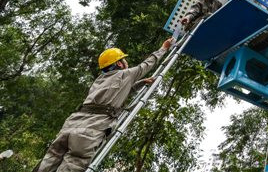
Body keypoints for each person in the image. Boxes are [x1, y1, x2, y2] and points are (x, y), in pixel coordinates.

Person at [35, 38, 174, 172]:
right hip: (93, 126)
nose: (126, 62)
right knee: (74, 163)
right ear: (119, 63)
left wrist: (141, 83)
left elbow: (117, 94)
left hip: (73, 122)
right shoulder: (125, 74)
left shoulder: (99, 80)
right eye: (123, 59)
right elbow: (147, 64)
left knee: (51, 158)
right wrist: (164, 48)